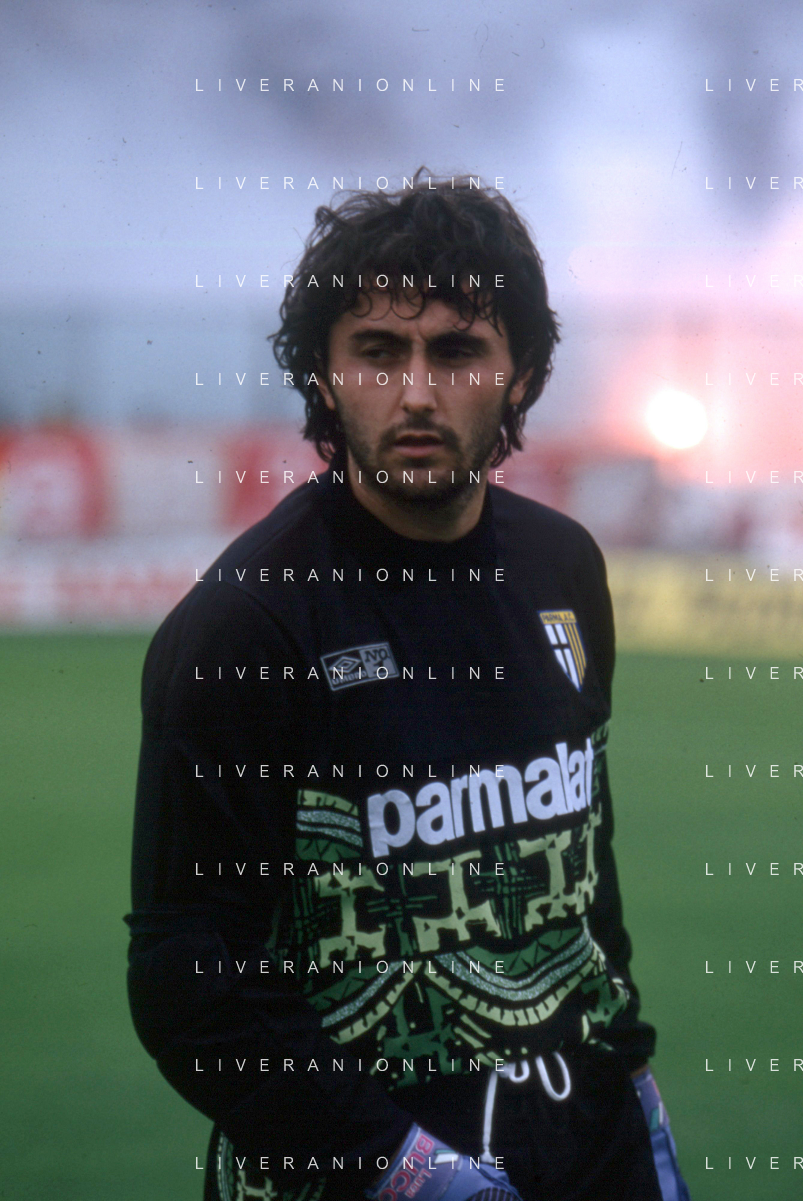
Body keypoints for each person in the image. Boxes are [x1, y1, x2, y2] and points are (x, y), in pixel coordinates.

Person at [126, 176, 690, 1201]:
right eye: (379, 352)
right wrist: (403, 1171)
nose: (417, 392)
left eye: (457, 351)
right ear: (324, 375)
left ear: (521, 375)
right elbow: (186, 979)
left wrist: (633, 1077)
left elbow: (580, 871)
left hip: (587, 1142)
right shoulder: (246, 626)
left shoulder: (562, 567)